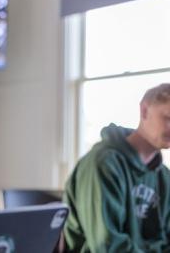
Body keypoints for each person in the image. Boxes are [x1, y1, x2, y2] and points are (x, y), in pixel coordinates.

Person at [63, 83, 170, 252]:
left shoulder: (164, 176)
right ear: (144, 111)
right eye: (168, 118)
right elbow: (106, 246)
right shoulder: (103, 165)